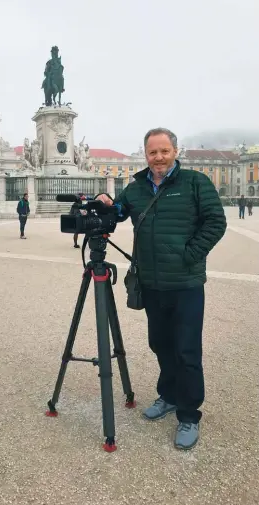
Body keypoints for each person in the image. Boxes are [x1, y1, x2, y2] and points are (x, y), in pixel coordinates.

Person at [97, 127, 226, 450]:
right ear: (146, 154)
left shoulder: (196, 182)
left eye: (164, 151)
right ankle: (168, 395)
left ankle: (189, 413)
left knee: (186, 350)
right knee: (160, 343)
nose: (158, 157)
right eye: (153, 152)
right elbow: (119, 213)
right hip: (152, 284)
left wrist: (190, 255)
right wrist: (105, 205)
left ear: (175, 151)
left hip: (185, 284)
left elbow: (216, 221)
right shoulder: (137, 186)